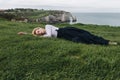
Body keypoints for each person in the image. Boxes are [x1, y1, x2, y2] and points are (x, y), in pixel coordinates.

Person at [18, 24, 118, 45]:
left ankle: (109, 42)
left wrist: (33, 34)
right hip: (65, 36)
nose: (39, 32)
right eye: (38, 33)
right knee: (79, 40)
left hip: (66, 31)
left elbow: (48, 35)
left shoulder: (47, 26)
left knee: (86, 35)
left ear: (40, 28)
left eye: (38, 30)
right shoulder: (44, 36)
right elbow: (45, 36)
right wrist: (26, 33)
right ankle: (101, 43)